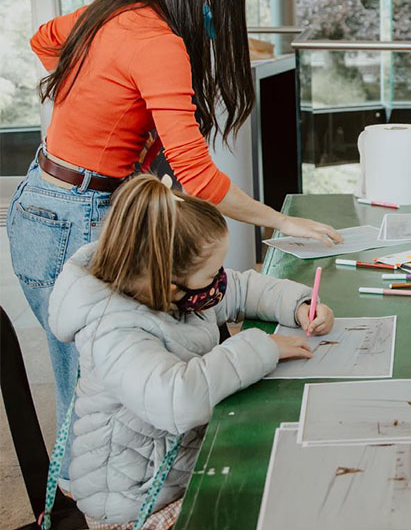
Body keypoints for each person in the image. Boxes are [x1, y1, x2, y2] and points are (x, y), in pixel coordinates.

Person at [7, 0, 341, 453]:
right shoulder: (157, 43)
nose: (230, 15)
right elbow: (197, 176)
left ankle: (109, 485)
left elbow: (45, 40)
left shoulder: (113, 9)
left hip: (47, 200)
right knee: (91, 394)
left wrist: (98, 97)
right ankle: (86, 495)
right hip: (78, 214)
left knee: (96, 378)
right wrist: (282, 221)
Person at [45, 175, 332, 528]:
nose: (220, 281)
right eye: (211, 275)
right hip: (137, 503)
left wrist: (299, 305)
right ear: (169, 284)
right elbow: (176, 399)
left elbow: (240, 288)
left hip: (180, 464)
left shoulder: (177, 288)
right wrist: (261, 347)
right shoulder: (114, 331)